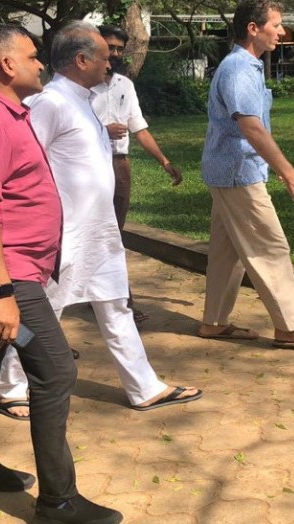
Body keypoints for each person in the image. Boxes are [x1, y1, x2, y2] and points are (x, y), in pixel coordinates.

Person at [0, 23, 122, 523]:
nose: (41, 63)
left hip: (10, 268)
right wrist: (1, 290)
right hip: (6, 271)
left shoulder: (5, 113)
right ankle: (58, 500)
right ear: (6, 65)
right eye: (31, 55)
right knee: (56, 368)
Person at [0, 21, 201, 420]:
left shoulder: (84, 100)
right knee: (46, 311)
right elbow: (20, 166)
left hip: (99, 232)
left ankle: (144, 387)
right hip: (63, 236)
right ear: (82, 59)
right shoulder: (50, 102)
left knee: (116, 305)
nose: (112, 63)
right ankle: (8, 385)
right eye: (105, 56)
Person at [197, 0, 294, 349]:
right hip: (236, 173)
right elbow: (252, 128)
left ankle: (214, 322)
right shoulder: (239, 69)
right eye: (275, 25)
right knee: (269, 246)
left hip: (231, 170)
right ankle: (290, 328)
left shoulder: (247, 67)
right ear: (253, 28)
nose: (281, 31)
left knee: (226, 251)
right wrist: (289, 174)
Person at [90, 24, 183, 323]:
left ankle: (109, 296)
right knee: (93, 232)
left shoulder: (124, 86)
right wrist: (101, 130)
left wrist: (165, 162)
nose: (115, 53)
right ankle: (117, 300)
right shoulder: (78, 86)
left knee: (114, 231)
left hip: (119, 165)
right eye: (110, 47)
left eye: (119, 48)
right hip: (88, 165)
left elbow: (139, 128)